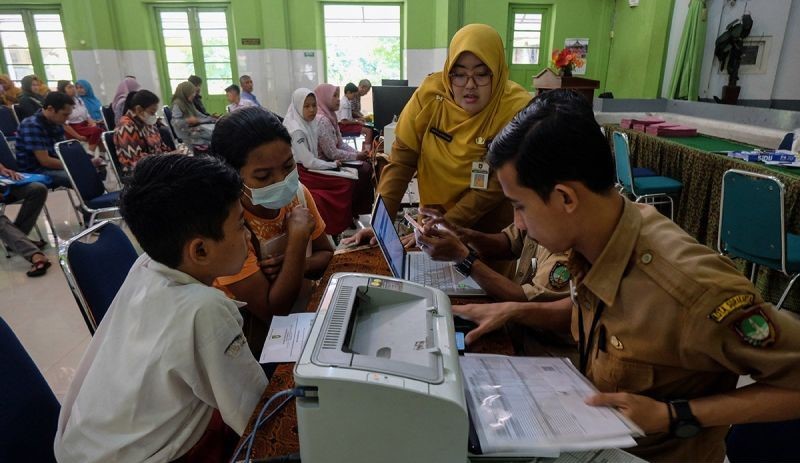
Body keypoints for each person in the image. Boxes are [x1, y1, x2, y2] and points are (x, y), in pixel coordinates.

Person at [457, 88, 800, 462]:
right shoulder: (598, 238)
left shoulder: (689, 288)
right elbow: (608, 320)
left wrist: (675, 415)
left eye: (520, 206)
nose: (517, 224)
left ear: (565, 198)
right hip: (596, 435)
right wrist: (514, 311)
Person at [54, 154, 268, 463]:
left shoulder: (148, 263)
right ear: (200, 249)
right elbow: (257, 416)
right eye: (240, 225)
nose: (248, 235)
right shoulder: (205, 309)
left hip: (86, 446)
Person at [343, 24, 531, 262]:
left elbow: (493, 187)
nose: (469, 85)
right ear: (448, 71)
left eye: (482, 74)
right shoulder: (430, 96)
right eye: (459, 73)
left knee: (487, 292)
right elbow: (401, 162)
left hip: (488, 235)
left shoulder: (516, 110)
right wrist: (381, 223)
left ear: (498, 71)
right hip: (432, 223)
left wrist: (445, 226)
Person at [211, 107, 333, 356]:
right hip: (251, 340)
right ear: (233, 176)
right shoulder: (228, 225)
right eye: (264, 176)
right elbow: (274, 310)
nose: (281, 180)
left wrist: (297, 264)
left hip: (298, 320)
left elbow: (326, 256)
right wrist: (297, 239)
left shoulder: (298, 194)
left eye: (288, 166)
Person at [284, 87, 356, 236]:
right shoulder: (296, 130)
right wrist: (331, 165)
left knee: (347, 181)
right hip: (300, 173)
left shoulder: (309, 123)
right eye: (306, 106)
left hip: (308, 169)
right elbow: (308, 161)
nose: (312, 110)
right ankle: (333, 229)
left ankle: (339, 226)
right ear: (298, 106)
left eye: (314, 105)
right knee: (344, 184)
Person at [314, 83, 374, 216]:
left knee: (366, 166)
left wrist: (358, 153)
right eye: (334, 96)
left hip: (333, 160)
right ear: (324, 98)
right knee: (365, 169)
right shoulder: (322, 120)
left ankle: (356, 210)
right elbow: (332, 153)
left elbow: (340, 144)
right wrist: (357, 156)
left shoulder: (330, 116)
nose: (338, 99)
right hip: (325, 165)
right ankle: (354, 211)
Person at [15, 92, 91, 188]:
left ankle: (94, 201)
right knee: (82, 176)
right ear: (50, 109)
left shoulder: (56, 122)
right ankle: (92, 202)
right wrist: (76, 165)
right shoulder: (31, 125)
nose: (67, 118)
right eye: (65, 114)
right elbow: (45, 161)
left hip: (52, 166)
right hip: (36, 170)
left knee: (91, 171)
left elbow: (64, 151)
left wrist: (86, 161)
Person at [0, 161, 50, 276]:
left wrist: (3, 169)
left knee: (38, 189)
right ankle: (34, 254)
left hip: (3, 184)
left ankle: (18, 240)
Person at [114, 90, 175, 174]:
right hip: (140, 173)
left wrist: (174, 154)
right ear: (138, 109)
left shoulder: (147, 123)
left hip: (157, 165)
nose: (154, 116)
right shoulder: (126, 127)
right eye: (152, 112)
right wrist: (165, 158)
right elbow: (136, 161)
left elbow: (161, 147)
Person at [58, 80, 105, 154]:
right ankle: (90, 154)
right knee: (97, 131)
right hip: (73, 128)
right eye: (69, 87)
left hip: (84, 125)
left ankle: (102, 157)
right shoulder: (63, 103)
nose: (73, 89)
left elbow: (87, 115)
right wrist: (78, 136)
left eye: (73, 87)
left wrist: (92, 123)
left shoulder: (78, 100)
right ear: (63, 90)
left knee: (100, 132)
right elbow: (65, 125)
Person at [170, 81, 215, 148]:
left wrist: (210, 118)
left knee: (213, 133)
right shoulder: (177, 104)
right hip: (186, 134)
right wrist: (188, 120)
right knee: (213, 136)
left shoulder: (188, 102)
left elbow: (197, 113)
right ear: (185, 92)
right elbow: (175, 123)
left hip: (192, 129)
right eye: (192, 92)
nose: (194, 94)